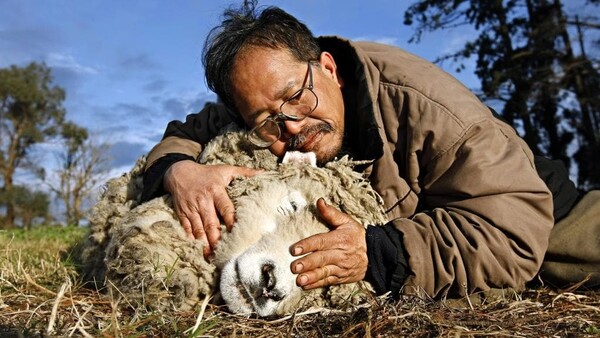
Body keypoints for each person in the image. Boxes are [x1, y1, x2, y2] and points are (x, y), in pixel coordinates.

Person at [141, 1, 594, 299]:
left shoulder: (432, 110)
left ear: (328, 66)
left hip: (535, 206)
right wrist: (178, 170)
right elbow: (189, 129)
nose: (293, 124)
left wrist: (380, 253)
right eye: (266, 120)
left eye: (297, 95)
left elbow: (512, 232)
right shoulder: (264, 104)